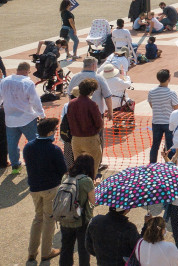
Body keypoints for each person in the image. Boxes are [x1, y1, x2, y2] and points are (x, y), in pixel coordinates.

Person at [22, 117, 66, 264]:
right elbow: (63, 170)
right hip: (50, 188)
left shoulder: (28, 147)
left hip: (34, 188)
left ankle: (31, 252)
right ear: (49, 133)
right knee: (49, 220)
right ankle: (46, 252)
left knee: (37, 219)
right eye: (54, 130)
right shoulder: (54, 149)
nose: (55, 133)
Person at [0, 61, 45, 173]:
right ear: (26, 71)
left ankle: (15, 165)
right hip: (27, 118)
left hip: (10, 119)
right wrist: (42, 114)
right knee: (33, 142)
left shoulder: (4, 81)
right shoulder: (28, 83)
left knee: (12, 144)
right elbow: (35, 101)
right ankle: (35, 164)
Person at [58, 154, 96, 266]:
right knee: (83, 250)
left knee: (66, 248)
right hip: (81, 220)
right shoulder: (87, 181)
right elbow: (93, 201)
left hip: (65, 218)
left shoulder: (65, 177)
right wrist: (95, 187)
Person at [68, 79, 105, 176]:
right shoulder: (92, 104)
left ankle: (79, 183)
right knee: (93, 165)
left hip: (75, 139)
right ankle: (91, 184)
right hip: (90, 138)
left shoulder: (71, 103)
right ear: (91, 91)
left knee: (78, 165)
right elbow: (99, 123)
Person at [148, 69, 178, 163]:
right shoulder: (171, 93)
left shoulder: (152, 92)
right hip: (168, 122)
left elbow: (151, 105)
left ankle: (152, 164)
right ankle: (169, 165)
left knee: (155, 145)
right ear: (168, 78)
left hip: (156, 121)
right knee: (170, 146)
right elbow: (177, 108)